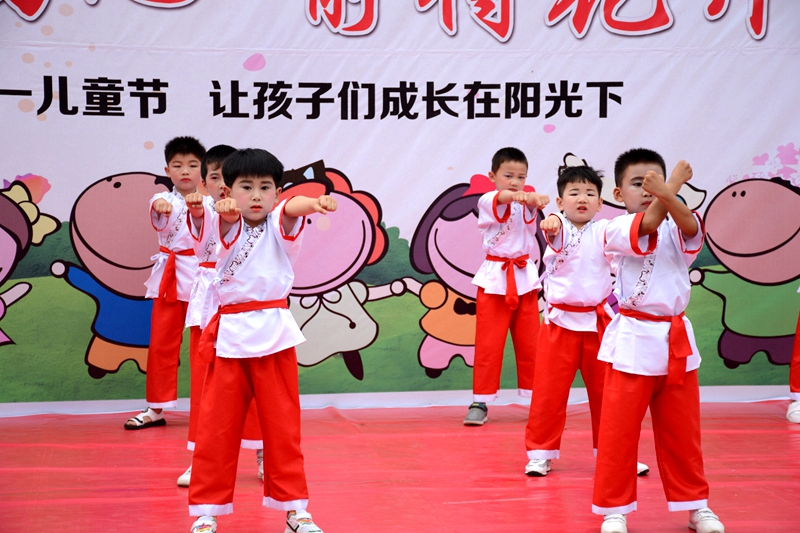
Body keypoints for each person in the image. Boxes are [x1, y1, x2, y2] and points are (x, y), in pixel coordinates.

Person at [188, 148, 335, 533]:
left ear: (276, 192)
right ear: (227, 191)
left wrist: (314, 203)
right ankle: (206, 511)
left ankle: (295, 511)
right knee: (216, 429)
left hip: (275, 336)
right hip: (229, 337)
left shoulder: (280, 223)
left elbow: (293, 207)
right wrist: (222, 210)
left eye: (265, 187)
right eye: (246, 187)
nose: (256, 196)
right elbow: (224, 221)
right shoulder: (223, 221)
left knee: (283, 429)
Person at [592, 149, 724, 533]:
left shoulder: (676, 223)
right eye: (639, 184)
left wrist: (669, 192)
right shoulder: (613, 228)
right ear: (619, 194)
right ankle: (614, 509)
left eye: (655, 182)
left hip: (675, 340)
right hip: (632, 340)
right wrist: (674, 184)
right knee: (618, 433)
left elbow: (689, 225)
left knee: (683, 432)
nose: (649, 190)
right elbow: (648, 222)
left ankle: (696, 506)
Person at [523, 162, 650, 478]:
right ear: (560, 201)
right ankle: (540, 454)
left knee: (610, 395)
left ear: (600, 202)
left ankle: (616, 453)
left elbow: (629, 232)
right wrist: (552, 220)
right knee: (548, 395)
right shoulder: (558, 227)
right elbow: (554, 228)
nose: (582, 198)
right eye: (574, 192)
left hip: (599, 325)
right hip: (559, 325)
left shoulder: (605, 229)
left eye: (590, 193)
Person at [178, 145, 264, 487]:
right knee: (205, 387)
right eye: (215, 177)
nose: (223, 185)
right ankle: (200, 458)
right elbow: (198, 221)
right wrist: (198, 209)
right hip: (209, 309)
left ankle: (264, 452)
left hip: (247, 311)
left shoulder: (261, 218)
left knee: (256, 385)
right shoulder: (201, 211)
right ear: (204, 184)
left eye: (231, 178)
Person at [464, 147, 549, 425]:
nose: (515, 182)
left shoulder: (527, 202)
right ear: (493, 176)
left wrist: (534, 198)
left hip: (524, 279)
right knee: (489, 344)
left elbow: (531, 201)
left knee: (531, 344)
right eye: (508, 175)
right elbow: (503, 197)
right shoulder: (488, 199)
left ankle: (538, 400)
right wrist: (518, 195)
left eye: (521, 177)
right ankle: (480, 401)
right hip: (494, 280)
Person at [125, 136, 204, 429]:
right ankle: (156, 408)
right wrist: (161, 205)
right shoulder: (162, 200)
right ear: (167, 170)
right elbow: (157, 206)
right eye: (178, 165)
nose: (185, 171)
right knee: (162, 345)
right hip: (170, 277)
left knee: (203, 349)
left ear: (202, 169)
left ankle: (206, 409)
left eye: (192, 165)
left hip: (202, 280)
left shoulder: (211, 202)